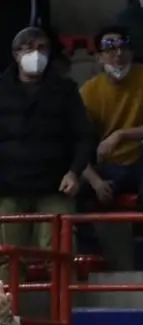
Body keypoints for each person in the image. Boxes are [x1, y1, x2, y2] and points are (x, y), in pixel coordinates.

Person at [0, 26, 92, 271]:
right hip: (8, 188)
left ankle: (65, 309)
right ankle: (6, 310)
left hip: (55, 187)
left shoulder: (65, 90)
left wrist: (74, 172)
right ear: (15, 53)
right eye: (29, 48)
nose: (36, 54)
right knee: (7, 259)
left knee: (60, 255)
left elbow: (83, 137)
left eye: (42, 48)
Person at [77, 26, 143, 259]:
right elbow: (73, 142)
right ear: (98, 57)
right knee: (73, 186)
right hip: (110, 167)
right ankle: (90, 251)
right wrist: (96, 181)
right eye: (109, 49)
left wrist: (120, 134)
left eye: (123, 47)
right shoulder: (89, 91)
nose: (118, 54)